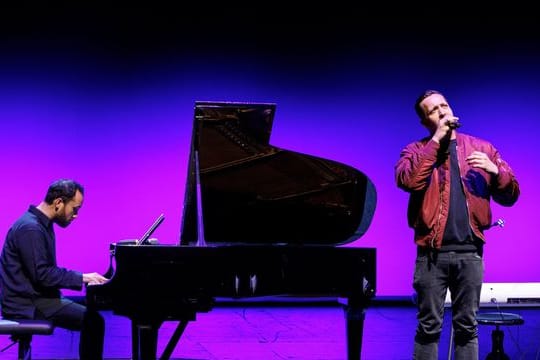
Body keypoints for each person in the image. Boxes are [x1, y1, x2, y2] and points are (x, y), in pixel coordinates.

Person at [395, 90, 520, 360]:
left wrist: (497, 172)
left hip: (470, 253)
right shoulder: (415, 150)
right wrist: (437, 140)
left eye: (444, 105)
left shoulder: (482, 149)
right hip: (431, 254)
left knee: (467, 328)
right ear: (425, 121)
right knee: (429, 328)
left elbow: (511, 195)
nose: (441, 111)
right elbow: (409, 181)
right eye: (432, 110)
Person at [0, 179, 109, 359]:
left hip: (37, 297)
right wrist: (83, 278)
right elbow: (43, 275)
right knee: (94, 321)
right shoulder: (31, 228)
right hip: (27, 304)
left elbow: (43, 273)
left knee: (93, 304)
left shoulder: (41, 224)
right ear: (58, 203)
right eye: (75, 209)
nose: (76, 215)